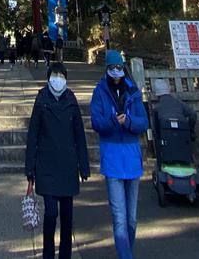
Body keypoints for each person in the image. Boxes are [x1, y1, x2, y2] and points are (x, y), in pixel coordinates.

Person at [25, 62, 90, 259]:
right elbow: (33, 134)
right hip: (46, 164)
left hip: (68, 165)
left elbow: (79, 133)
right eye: (55, 75)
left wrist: (83, 164)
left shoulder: (71, 99)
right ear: (48, 77)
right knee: (51, 213)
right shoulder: (41, 99)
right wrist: (30, 169)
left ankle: (65, 255)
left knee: (68, 216)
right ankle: (47, 254)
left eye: (61, 75)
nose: (58, 79)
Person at [90, 50, 148, 259]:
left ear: (123, 68)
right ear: (106, 69)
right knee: (119, 217)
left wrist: (129, 122)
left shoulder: (133, 92)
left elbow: (144, 122)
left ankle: (126, 251)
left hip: (132, 157)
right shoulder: (99, 92)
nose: (116, 71)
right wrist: (114, 121)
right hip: (113, 157)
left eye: (119, 67)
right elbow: (96, 122)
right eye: (112, 67)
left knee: (131, 218)